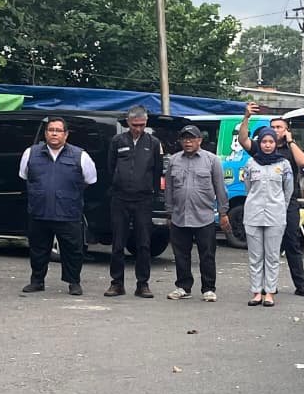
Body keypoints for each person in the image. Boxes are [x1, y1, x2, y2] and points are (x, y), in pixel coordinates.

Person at [237, 103, 304, 297]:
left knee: (292, 243)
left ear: (287, 130)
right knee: (264, 250)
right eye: (273, 127)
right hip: (261, 205)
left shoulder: (289, 149)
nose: (275, 131)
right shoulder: (260, 148)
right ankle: (266, 287)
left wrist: (290, 142)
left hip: (286, 203)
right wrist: (246, 117)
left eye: (279, 127)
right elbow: (243, 140)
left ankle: (301, 285)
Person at [18, 117, 97, 296]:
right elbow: (24, 175)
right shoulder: (31, 153)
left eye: (58, 130)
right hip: (39, 211)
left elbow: (91, 179)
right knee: (38, 249)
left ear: (66, 134)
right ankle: (37, 281)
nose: (54, 133)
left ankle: (73, 282)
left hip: (68, 212)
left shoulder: (80, 155)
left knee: (72, 250)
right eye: (50, 130)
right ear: (45, 133)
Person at [164, 125, 230, 301]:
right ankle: (183, 287)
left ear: (199, 140)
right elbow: (169, 188)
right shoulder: (174, 160)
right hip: (179, 216)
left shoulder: (212, 160)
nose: (187, 142)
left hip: (204, 216)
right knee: (180, 254)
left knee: (207, 254)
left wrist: (223, 213)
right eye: (184, 139)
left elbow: (220, 188)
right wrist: (169, 212)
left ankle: (208, 288)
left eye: (191, 138)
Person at [106, 106, 163, 298]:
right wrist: (115, 186)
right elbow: (110, 166)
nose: (138, 128)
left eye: (142, 125)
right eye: (135, 125)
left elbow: (157, 170)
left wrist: (153, 194)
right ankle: (117, 283)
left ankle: (143, 284)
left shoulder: (153, 143)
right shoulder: (117, 140)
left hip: (143, 199)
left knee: (144, 243)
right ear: (128, 123)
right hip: (120, 198)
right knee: (118, 243)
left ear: (146, 123)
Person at [242, 127, 293, 307]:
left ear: (275, 143)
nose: (267, 145)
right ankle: (256, 292)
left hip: (275, 215)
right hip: (253, 214)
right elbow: (248, 188)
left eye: (271, 141)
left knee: (272, 256)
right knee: (255, 256)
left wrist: (280, 207)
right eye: (264, 142)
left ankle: (270, 292)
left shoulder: (284, 164)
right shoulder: (250, 164)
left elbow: (288, 190)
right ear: (259, 143)